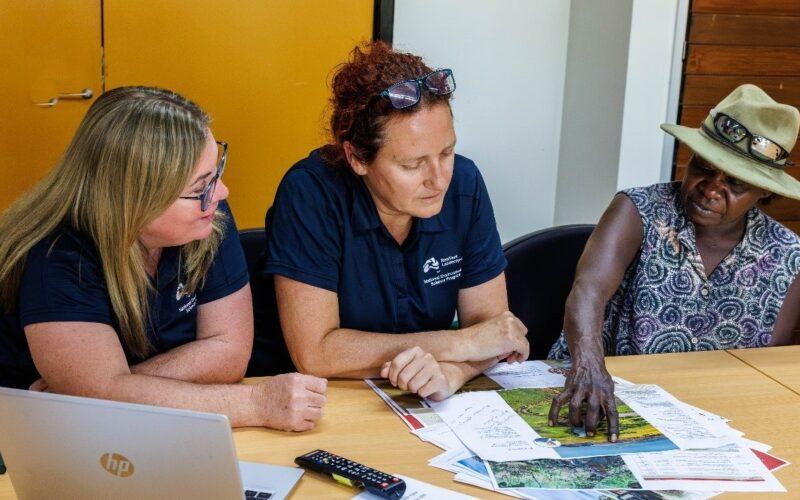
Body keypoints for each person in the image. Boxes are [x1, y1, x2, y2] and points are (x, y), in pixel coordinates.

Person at [0, 86, 326, 432]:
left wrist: (113, 388)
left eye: (215, 173)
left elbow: (229, 352)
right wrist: (255, 404)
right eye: (200, 187)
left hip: (130, 427)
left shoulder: (208, 217)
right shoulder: (57, 256)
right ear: (136, 199)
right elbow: (98, 399)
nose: (221, 193)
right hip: (41, 440)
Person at [258, 42, 529, 400]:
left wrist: (452, 373)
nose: (438, 179)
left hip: (418, 402)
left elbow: (494, 335)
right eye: (412, 164)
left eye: (446, 152)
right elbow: (317, 353)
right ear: (357, 158)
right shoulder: (310, 192)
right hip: (324, 401)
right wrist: (459, 342)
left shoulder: (464, 183)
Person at [548, 84, 800, 441]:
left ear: (766, 191)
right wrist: (588, 365)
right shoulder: (639, 210)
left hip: (708, 415)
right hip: (598, 391)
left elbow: (761, 368)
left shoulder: (788, 257)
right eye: (703, 168)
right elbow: (588, 290)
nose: (711, 189)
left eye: (735, 184)